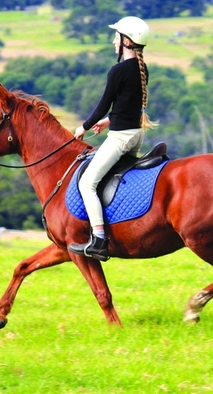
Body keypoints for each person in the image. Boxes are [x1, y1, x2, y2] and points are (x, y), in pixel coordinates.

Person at [69, 16, 156, 262]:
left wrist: (82, 128)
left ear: (126, 42)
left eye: (116, 36)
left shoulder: (117, 70)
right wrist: (109, 121)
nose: (113, 40)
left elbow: (102, 105)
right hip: (135, 135)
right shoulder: (141, 68)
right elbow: (128, 105)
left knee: (87, 183)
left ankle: (98, 238)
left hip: (121, 138)